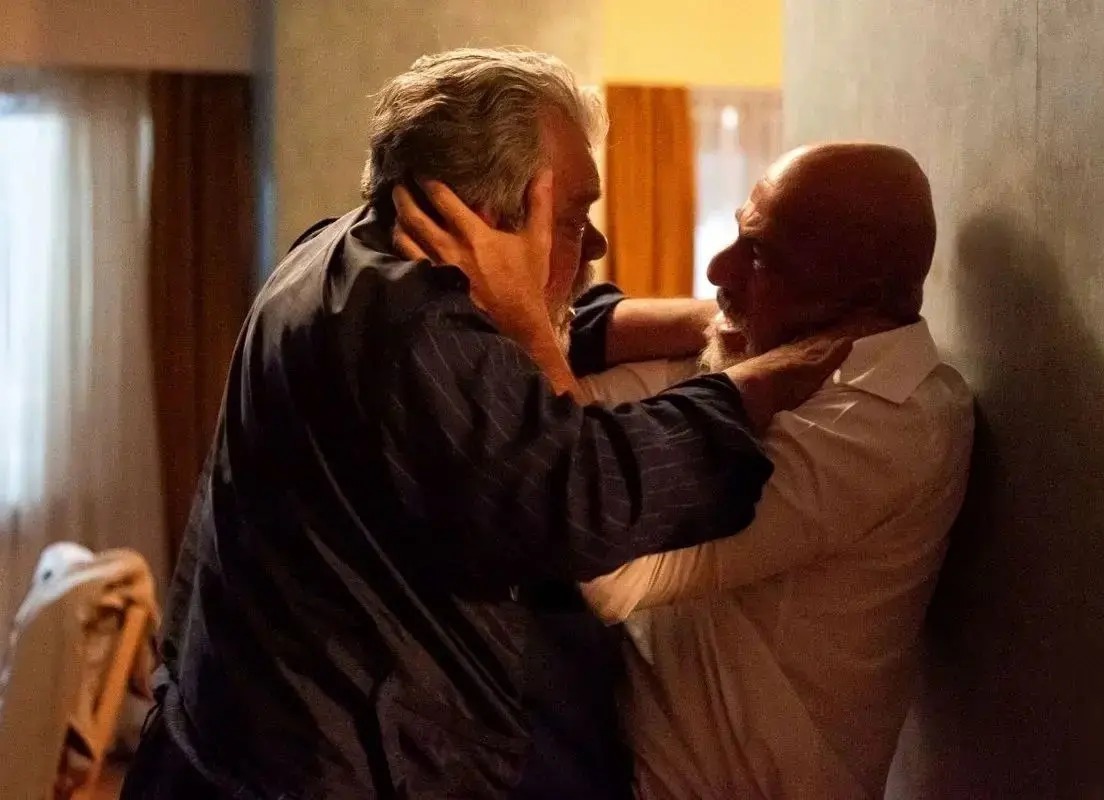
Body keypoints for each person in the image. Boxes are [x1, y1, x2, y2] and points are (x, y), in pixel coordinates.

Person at [120, 49, 849, 799]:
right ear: (483, 225)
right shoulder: (419, 327)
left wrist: (714, 320)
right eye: (573, 218)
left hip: (232, 734)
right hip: (316, 771)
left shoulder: (340, 250)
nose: (596, 245)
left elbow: (550, 327)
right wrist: (750, 386)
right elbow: (590, 498)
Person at [575, 143, 976, 798]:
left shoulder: (889, 424)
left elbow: (599, 555)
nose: (717, 267)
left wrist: (517, 310)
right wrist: (719, 328)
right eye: (739, 232)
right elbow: (566, 395)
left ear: (861, 292)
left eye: (759, 254)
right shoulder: (765, 345)